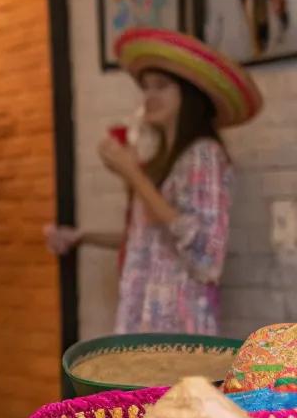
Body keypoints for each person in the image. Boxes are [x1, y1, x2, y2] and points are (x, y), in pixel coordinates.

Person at [45, 28, 263, 335]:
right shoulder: (165, 160)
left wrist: (133, 175)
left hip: (179, 327)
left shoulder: (205, 156)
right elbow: (151, 240)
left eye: (161, 86)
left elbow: (204, 252)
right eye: (146, 87)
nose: (149, 96)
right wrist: (83, 237)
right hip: (144, 322)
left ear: (189, 95)